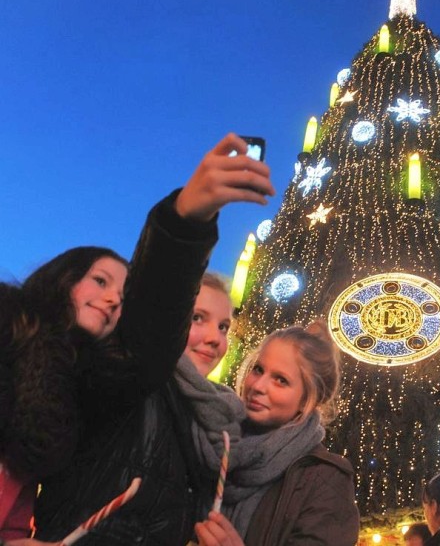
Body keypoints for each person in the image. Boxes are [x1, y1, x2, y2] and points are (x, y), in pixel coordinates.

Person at [29, 133, 275, 546]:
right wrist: (184, 224)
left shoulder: (219, 425)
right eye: (196, 318)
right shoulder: (123, 380)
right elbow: (150, 330)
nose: (214, 339)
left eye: (224, 327)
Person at [192, 321, 360, 546]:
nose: (258, 386)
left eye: (281, 380)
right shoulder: (209, 444)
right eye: (258, 370)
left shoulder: (324, 481)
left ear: (307, 401)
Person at [0, 247, 127, 540]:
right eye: (100, 280)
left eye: (124, 296)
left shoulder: (72, 388)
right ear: (66, 277)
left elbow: (20, 489)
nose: (113, 299)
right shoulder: (12, 325)